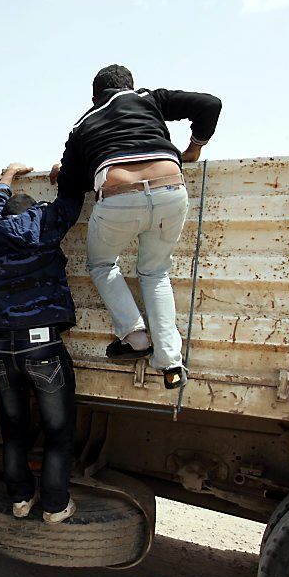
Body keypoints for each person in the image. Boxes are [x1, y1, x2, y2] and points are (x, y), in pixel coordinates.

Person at [51, 64, 222, 389]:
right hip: (172, 189)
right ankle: (171, 361)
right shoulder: (149, 100)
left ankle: (135, 337)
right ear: (131, 86)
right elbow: (210, 104)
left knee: (102, 264)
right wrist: (195, 147)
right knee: (155, 273)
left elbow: (72, 184)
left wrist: (61, 171)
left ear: (93, 96)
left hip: (119, 199)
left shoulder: (83, 124)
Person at [0, 163, 84, 522]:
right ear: (33, 209)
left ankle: (20, 499)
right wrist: (64, 173)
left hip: (3, 348)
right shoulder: (45, 224)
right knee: (57, 430)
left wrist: (6, 177)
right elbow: (72, 199)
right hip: (43, 347)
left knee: (14, 428)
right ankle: (54, 506)